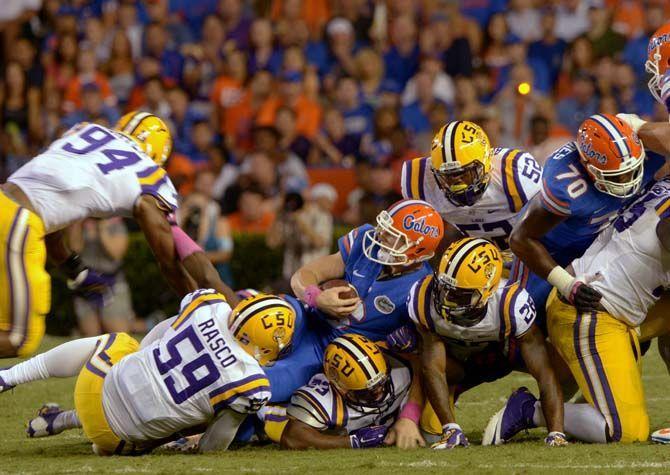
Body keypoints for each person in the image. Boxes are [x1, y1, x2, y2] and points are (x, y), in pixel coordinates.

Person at [487, 178, 670, 444]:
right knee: (626, 431)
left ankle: (594, 398)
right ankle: (532, 411)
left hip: (611, 303)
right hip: (590, 311)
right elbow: (666, 231)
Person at [0, 289, 294, 454]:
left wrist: (142, 364)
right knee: (204, 410)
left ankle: (10, 377)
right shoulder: (253, 385)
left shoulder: (209, 306)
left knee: (120, 343)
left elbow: (159, 334)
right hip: (116, 440)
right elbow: (213, 444)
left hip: (94, 387)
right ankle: (62, 420)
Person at [0, 111, 191, 358]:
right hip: (16, 220)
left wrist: (76, 271)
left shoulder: (84, 132)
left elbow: (50, 216)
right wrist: (197, 302)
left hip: (10, 202)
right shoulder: (144, 173)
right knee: (19, 337)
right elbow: (170, 256)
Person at [509, 114, 670, 325]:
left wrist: (642, 126)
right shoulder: (566, 185)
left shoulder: (646, 145)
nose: (628, 181)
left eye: (632, 171)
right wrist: (565, 283)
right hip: (550, 252)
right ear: (587, 166)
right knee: (522, 321)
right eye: (617, 176)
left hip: (597, 244)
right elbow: (520, 239)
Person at [408, 237, 566, 449]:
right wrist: (450, 428)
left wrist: (556, 432)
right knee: (431, 435)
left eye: (459, 294)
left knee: (563, 371)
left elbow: (544, 372)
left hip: (505, 354)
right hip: (462, 366)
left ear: (487, 291)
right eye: (444, 288)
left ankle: (529, 409)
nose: (446, 300)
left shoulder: (509, 303)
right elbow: (433, 368)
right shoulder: (424, 298)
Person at [401, 120, 542, 253]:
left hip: (531, 254)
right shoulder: (419, 181)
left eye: (464, 173)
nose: (457, 184)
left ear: (486, 164)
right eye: (448, 176)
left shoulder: (514, 173)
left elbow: (553, 219)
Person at [278, 334, 411, 450]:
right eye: (365, 392)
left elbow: (422, 368)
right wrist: (352, 442)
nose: (379, 392)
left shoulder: (401, 370)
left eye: (382, 383)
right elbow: (292, 438)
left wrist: (410, 417)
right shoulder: (325, 398)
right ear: (340, 387)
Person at [69, 218, 139, 337]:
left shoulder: (116, 223)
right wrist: (78, 223)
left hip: (112, 283)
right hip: (86, 283)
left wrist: (101, 227)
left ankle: (143, 323)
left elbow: (116, 253)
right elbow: (74, 250)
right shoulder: (81, 222)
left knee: (118, 334)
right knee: (90, 336)